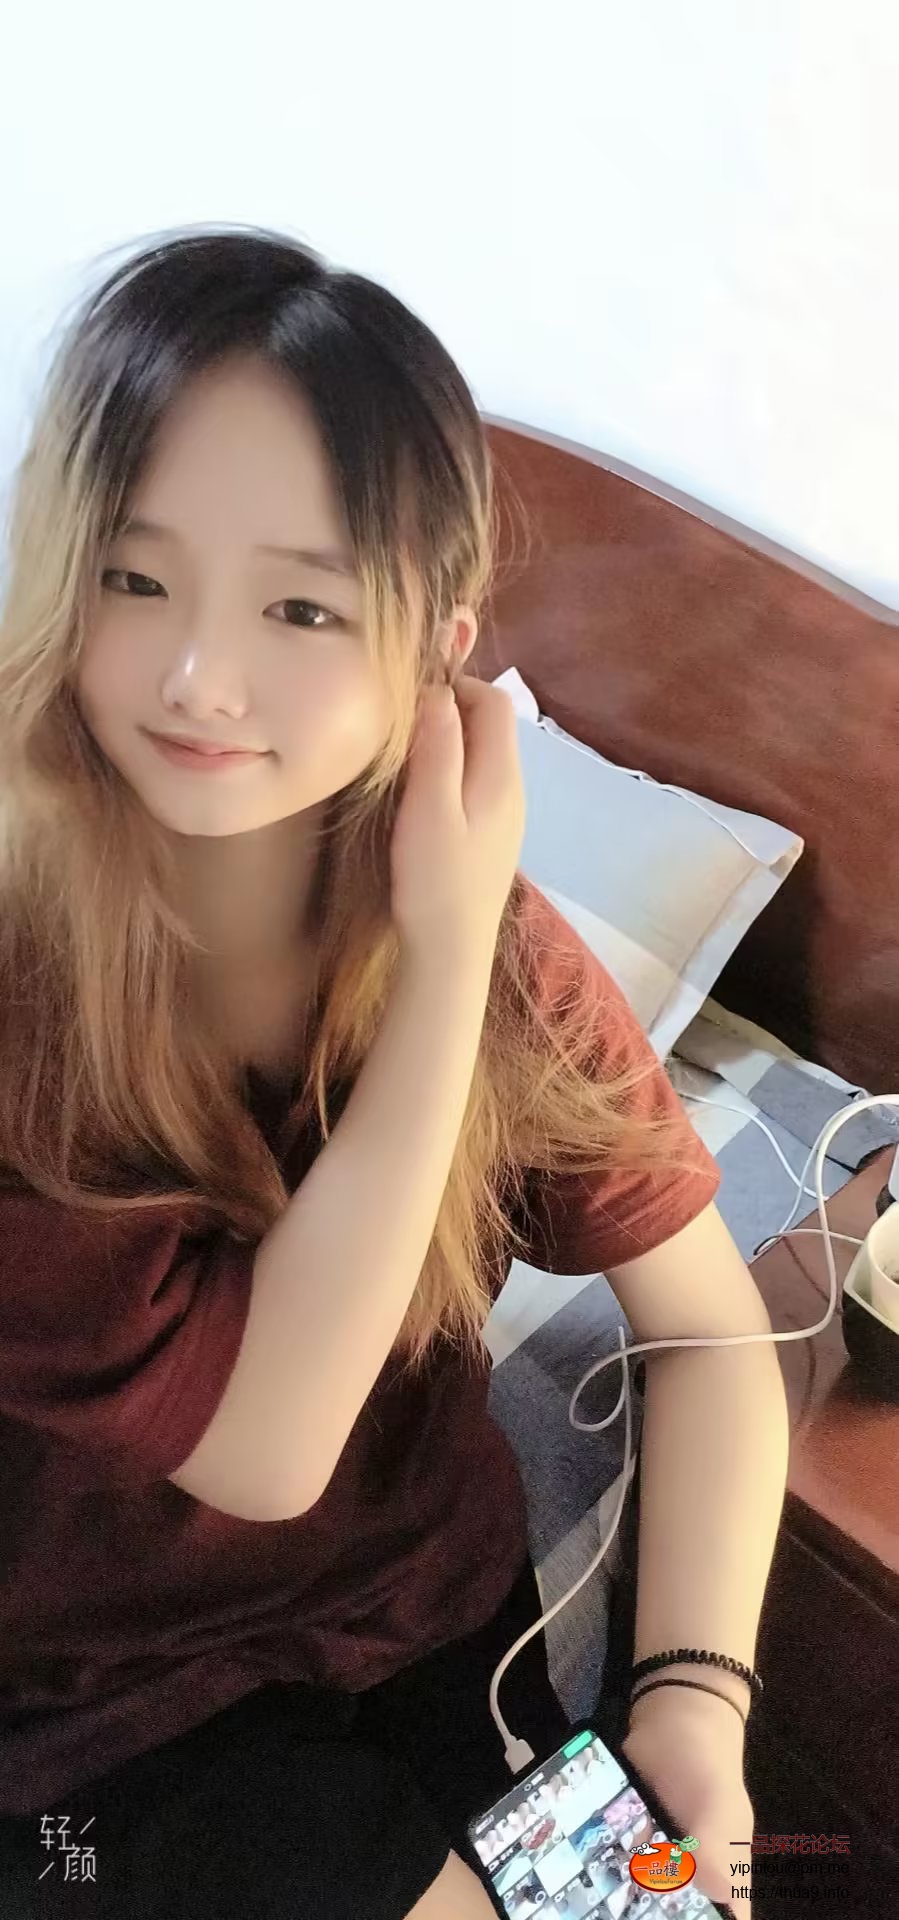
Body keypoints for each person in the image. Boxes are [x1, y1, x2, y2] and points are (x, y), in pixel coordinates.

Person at [0, 226, 789, 1918]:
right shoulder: (27, 992)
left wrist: (692, 1702)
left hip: (427, 1639)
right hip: (89, 1741)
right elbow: (266, 1447)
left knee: (666, 1906)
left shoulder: (488, 947)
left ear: (439, 642)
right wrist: (440, 961)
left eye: (301, 605)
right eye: (134, 580)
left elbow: (712, 1330)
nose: (202, 678)